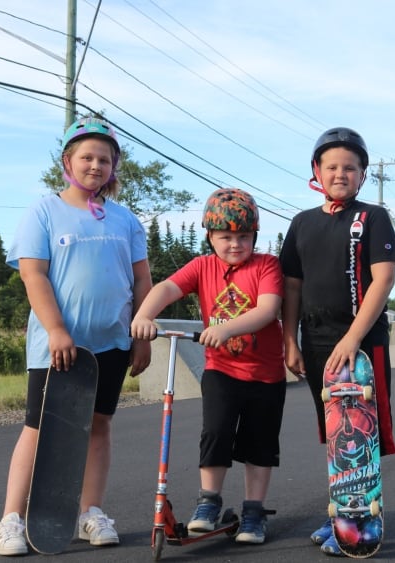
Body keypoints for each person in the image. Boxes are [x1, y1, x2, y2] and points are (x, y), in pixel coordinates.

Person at [0, 117, 152, 556]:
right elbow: (33, 275)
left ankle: (91, 512)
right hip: (57, 346)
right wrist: (58, 330)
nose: (95, 165)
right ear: (68, 161)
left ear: (114, 166)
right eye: (87, 157)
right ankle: (11, 518)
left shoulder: (125, 219)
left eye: (104, 159)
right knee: (39, 427)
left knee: (99, 426)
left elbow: (142, 281)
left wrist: (141, 334)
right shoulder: (44, 211)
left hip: (111, 344)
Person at [130, 187, 285, 545]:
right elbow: (168, 288)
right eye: (226, 237)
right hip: (222, 370)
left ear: (254, 236)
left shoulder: (266, 266)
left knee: (259, 443)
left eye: (243, 237)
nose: (235, 244)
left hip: (265, 374)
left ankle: (253, 511)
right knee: (215, 432)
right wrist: (144, 315)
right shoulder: (202, 266)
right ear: (210, 237)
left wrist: (224, 328)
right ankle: (209, 502)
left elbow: (266, 310)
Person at [279, 127, 395, 556]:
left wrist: (353, 338)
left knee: (363, 433)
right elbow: (291, 287)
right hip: (315, 341)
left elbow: (383, 278)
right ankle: (344, 514)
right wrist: (290, 341)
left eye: (350, 167)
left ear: (363, 175)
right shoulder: (302, 224)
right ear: (317, 170)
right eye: (331, 166)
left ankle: (365, 520)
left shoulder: (373, 217)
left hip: (362, 342)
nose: (340, 173)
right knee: (337, 436)